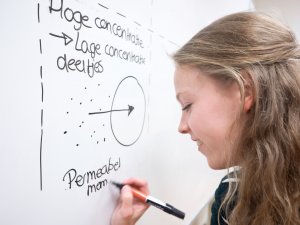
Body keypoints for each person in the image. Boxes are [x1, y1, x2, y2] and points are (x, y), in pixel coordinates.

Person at [110, 11, 300, 225]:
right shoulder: (232, 200)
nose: (181, 127)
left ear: (245, 91)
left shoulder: (232, 201)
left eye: (188, 105)